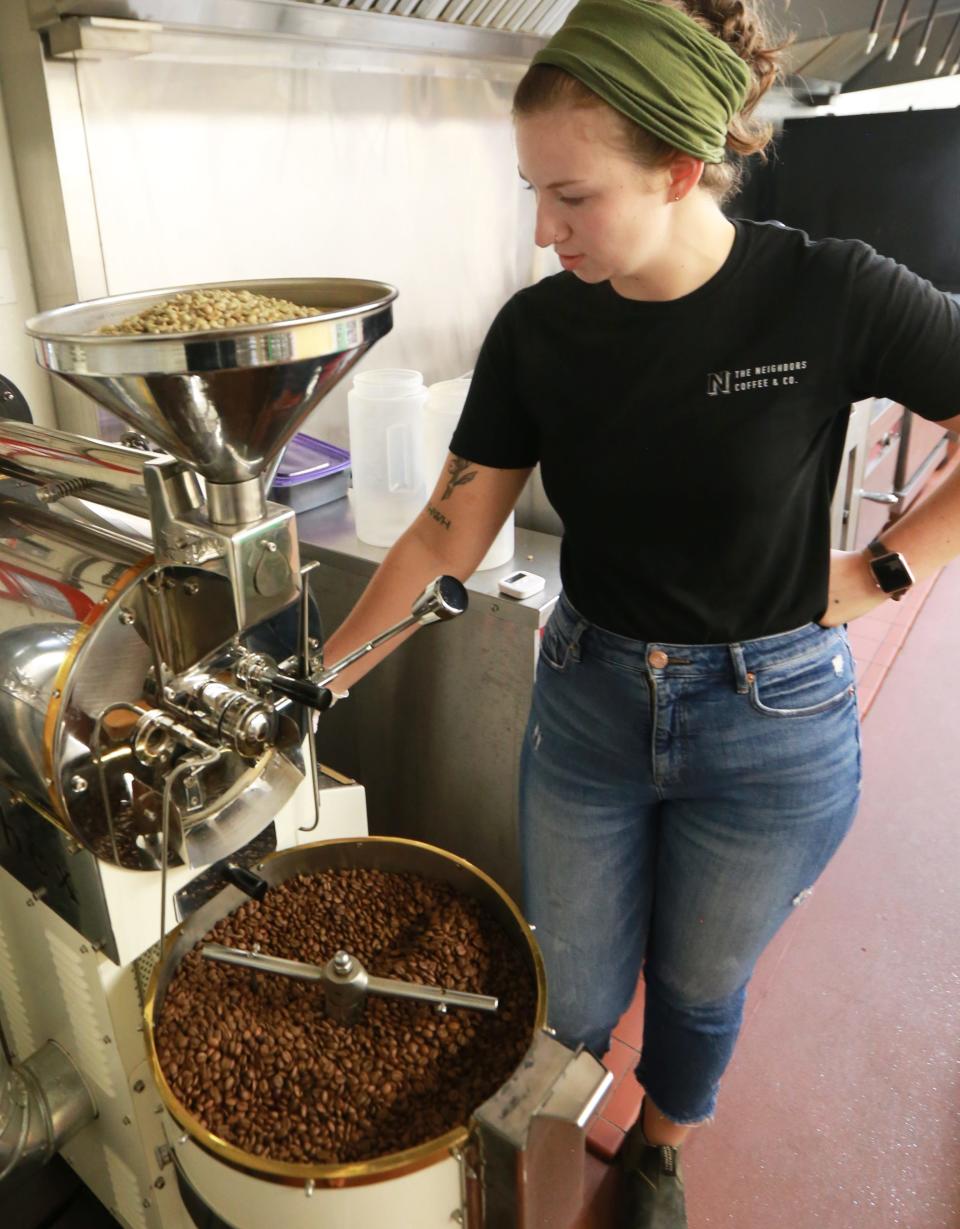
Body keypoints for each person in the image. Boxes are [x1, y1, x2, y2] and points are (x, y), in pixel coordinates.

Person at [322, 1, 960, 1223]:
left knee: (704, 983)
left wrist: (884, 570)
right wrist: (322, 684)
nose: (544, 230)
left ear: (680, 168)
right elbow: (449, 528)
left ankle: (659, 1147)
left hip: (770, 719)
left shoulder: (828, 292)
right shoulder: (540, 331)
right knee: (568, 981)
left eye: (572, 197)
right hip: (592, 705)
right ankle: (548, 1165)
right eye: (532, 194)